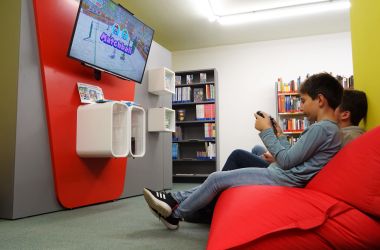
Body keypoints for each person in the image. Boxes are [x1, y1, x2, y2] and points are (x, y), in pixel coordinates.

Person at [143, 72, 343, 230]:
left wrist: (266, 131)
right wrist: (280, 135)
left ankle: (174, 214)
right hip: (286, 174)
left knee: (216, 179)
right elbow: (295, 155)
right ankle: (175, 199)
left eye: (304, 100)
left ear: (320, 100)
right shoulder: (328, 129)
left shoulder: (322, 128)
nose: (301, 106)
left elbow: (288, 160)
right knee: (227, 172)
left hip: (284, 177)